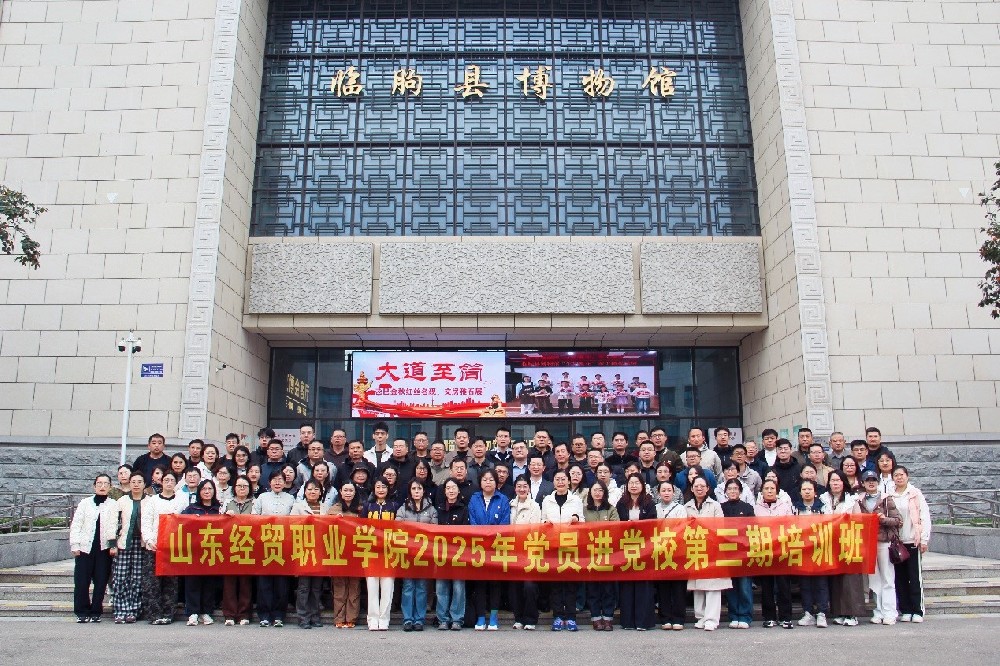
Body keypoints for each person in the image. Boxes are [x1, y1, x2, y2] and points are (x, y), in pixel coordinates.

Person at [70, 474, 119, 623]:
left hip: (103, 549)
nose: (102, 486)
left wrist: (112, 545)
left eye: (106, 484)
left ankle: (96, 611)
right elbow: (76, 524)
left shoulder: (113, 504)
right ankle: (81, 612)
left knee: (101, 581)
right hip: (85, 547)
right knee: (81, 582)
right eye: (99, 483)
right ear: (94, 486)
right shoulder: (85, 503)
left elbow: (113, 526)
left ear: (110, 487)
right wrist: (75, 544)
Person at [540, 469, 584, 631]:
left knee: (571, 584)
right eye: (557, 479)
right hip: (553, 546)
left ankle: (571, 617)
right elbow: (542, 520)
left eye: (563, 479)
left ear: (568, 481)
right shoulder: (547, 500)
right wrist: (546, 523)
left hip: (570, 546)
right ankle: (558, 616)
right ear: (553, 482)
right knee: (556, 584)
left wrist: (576, 519)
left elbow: (582, 520)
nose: (560, 482)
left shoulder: (576, 500)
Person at [685, 476, 731, 630]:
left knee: (713, 586)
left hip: (713, 548)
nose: (699, 489)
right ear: (692, 489)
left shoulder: (715, 505)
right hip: (695, 549)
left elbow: (720, 526)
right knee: (697, 586)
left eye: (702, 486)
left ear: (708, 488)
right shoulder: (687, 507)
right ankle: (701, 617)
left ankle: (711, 619)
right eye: (696, 486)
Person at [467, 469, 511, 631]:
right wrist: (482, 537)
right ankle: (480, 616)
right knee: (480, 582)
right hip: (478, 547)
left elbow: (505, 522)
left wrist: (492, 538)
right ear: (480, 482)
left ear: (496, 482)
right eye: (485, 479)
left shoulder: (503, 499)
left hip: (496, 547)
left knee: (494, 582)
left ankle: (493, 616)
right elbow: (472, 521)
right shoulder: (474, 499)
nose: (488, 482)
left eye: (491, 479)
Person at [252, 470, 296, 627]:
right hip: (264, 544)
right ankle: (264, 615)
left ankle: (279, 615)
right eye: (274, 480)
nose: (277, 482)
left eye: (280, 480)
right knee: (264, 582)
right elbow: (253, 517)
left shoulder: (291, 498)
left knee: (281, 582)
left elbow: (295, 519)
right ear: (269, 482)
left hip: (284, 544)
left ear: (285, 482)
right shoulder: (262, 498)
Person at [857, 469, 901, 625]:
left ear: (878, 482)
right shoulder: (859, 500)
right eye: (868, 480)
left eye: (874, 480)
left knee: (887, 578)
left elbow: (898, 520)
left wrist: (883, 519)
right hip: (868, 543)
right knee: (874, 579)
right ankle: (878, 611)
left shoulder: (886, 499)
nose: (871, 483)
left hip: (884, 542)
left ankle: (890, 612)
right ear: (863, 483)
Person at [823, 470, 866, 626]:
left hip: (849, 542)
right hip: (831, 543)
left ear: (843, 483)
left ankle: (852, 614)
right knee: (836, 580)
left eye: (838, 480)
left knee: (850, 579)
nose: (835, 483)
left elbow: (859, 521)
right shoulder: (824, 499)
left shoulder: (851, 500)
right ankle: (840, 612)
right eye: (832, 480)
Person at [891, 465, 932, 623]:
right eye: (896, 475)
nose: (899, 477)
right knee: (900, 578)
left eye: (901, 474)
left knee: (914, 577)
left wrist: (924, 539)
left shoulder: (915, 494)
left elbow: (924, 517)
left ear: (907, 476)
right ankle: (906, 610)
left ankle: (918, 610)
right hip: (897, 543)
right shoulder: (890, 495)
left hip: (912, 541)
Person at [616, 473, 656, 630]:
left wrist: (638, 525)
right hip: (626, 547)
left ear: (642, 485)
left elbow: (653, 523)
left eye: (637, 483)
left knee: (643, 585)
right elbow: (616, 523)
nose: (633, 486)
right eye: (631, 483)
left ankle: (643, 621)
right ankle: (628, 621)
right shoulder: (621, 503)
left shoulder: (649, 503)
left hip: (644, 548)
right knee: (627, 584)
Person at [397, 478, 438, 631]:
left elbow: (435, 530)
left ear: (423, 491)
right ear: (410, 491)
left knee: (421, 587)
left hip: (424, 554)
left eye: (419, 489)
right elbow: (398, 528)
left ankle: (419, 619)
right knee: (408, 586)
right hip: (407, 554)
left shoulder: (432, 510)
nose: (416, 491)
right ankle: (408, 619)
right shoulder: (403, 509)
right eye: (414, 489)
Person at [140, 470, 180, 625]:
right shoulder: (153, 501)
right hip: (154, 546)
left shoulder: (181, 501)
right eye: (166, 480)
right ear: (161, 482)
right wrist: (149, 539)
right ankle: (154, 614)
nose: (169, 483)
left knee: (171, 582)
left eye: (172, 480)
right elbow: (146, 521)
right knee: (152, 582)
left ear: (176, 483)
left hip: (173, 548)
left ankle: (168, 614)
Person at [755, 478, 795, 628]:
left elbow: (791, 526)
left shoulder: (785, 506)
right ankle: (769, 616)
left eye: (772, 488)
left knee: (783, 585)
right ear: (762, 492)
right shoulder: (756, 508)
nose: (769, 491)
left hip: (782, 550)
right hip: (764, 551)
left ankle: (786, 617)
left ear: (777, 491)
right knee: (767, 586)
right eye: (766, 488)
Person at [181, 480, 221, 626]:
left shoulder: (219, 509)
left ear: (214, 491)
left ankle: (206, 611)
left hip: (212, 550)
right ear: (199, 491)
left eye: (210, 488)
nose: (207, 491)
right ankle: (192, 612)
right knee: (192, 581)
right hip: (194, 551)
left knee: (209, 582)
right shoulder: (191, 509)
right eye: (204, 489)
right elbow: (180, 523)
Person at [794, 479, 830, 627]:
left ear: (815, 492)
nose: (807, 492)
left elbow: (829, 525)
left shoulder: (823, 507)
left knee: (821, 583)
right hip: (802, 550)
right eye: (804, 489)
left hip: (820, 549)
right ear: (800, 492)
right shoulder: (795, 508)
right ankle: (808, 612)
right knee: (805, 583)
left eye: (810, 489)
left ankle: (822, 613)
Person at [362, 476, 397, 631]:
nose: (381, 490)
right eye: (378, 487)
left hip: (389, 552)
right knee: (372, 587)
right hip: (371, 552)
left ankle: (384, 618)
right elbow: (360, 527)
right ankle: (372, 618)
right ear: (373, 489)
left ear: (388, 489)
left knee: (387, 588)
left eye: (384, 487)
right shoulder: (368, 506)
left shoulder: (394, 506)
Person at [290, 479, 326, 629]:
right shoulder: (298, 507)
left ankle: (315, 616)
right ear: (305, 491)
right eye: (310, 489)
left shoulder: (325, 507)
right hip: (304, 550)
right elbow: (291, 526)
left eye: (316, 489)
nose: (313, 492)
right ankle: (303, 617)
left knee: (316, 587)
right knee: (304, 587)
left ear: (320, 492)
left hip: (320, 551)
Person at [113, 471, 148, 623]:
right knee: (121, 577)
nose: (136, 485)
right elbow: (114, 523)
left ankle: (134, 610)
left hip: (142, 544)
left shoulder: (150, 501)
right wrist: (112, 543)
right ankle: (120, 610)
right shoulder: (122, 501)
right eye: (133, 482)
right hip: (124, 543)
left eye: (139, 482)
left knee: (137, 578)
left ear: (144, 484)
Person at [720, 479, 754, 629]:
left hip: (744, 552)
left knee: (745, 586)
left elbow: (752, 529)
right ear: (725, 491)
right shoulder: (721, 508)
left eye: (735, 488)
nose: (732, 491)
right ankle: (734, 615)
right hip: (727, 552)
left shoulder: (747, 508)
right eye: (730, 489)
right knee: (731, 586)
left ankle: (745, 616)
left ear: (740, 491)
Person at [435, 478, 468, 631]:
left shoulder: (464, 509)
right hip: (441, 554)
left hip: (459, 555)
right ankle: (442, 618)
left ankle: (457, 619)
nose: (451, 490)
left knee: (458, 587)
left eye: (453, 487)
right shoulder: (439, 509)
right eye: (448, 488)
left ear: (458, 490)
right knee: (441, 587)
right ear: (444, 491)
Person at [509, 474, 541, 631]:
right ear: (515, 488)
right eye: (519, 486)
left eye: (525, 486)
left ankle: (530, 618)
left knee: (529, 586)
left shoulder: (535, 506)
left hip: (529, 551)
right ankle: (518, 618)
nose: (522, 489)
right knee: (515, 586)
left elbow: (535, 529)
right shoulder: (510, 505)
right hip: (512, 552)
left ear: (529, 488)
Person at [329, 481, 363, 628]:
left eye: (351, 490)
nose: (348, 493)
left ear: (355, 493)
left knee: (354, 585)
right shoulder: (333, 509)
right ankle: (339, 617)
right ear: (341, 492)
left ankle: (351, 617)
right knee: (339, 586)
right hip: (338, 551)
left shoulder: (361, 510)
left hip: (356, 551)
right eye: (346, 490)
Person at [222, 476, 254, 626]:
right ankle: (229, 614)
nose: (242, 488)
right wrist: (225, 516)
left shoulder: (254, 503)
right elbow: (218, 522)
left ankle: (244, 614)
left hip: (249, 546)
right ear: (234, 488)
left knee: (245, 582)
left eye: (245, 486)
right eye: (239, 486)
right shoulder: (227, 503)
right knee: (229, 582)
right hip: (230, 546)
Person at [654, 481, 687, 630]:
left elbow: (682, 528)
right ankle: (665, 618)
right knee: (663, 587)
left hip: (677, 550)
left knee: (678, 587)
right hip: (660, 551)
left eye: (669, 490)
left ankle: (679, 618)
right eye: (663, 490)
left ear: (674, 493)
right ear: (658, 493)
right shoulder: (655, 508)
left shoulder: (680, 509)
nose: (666, 493)